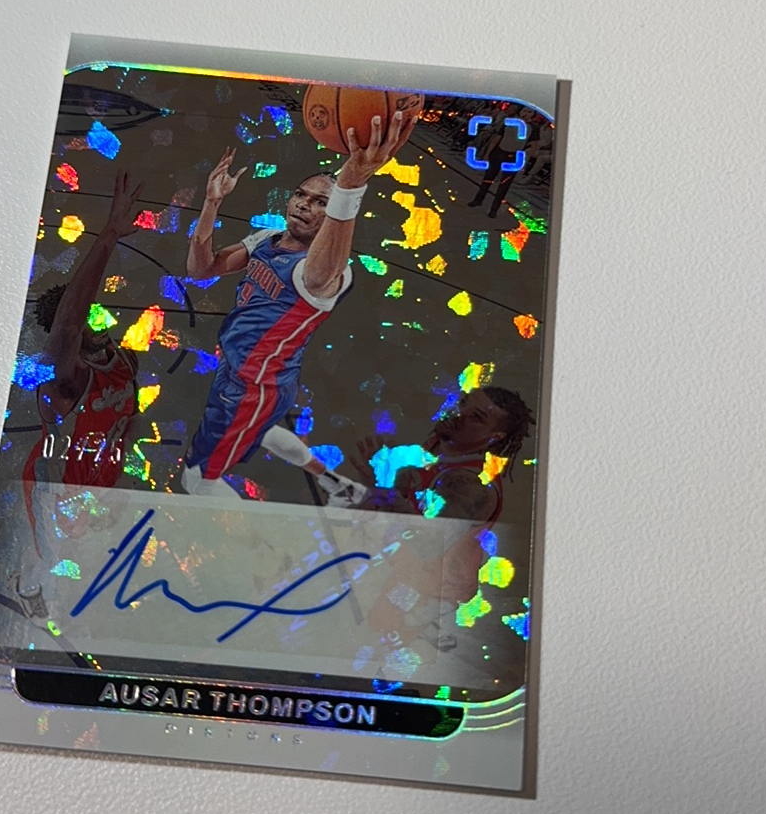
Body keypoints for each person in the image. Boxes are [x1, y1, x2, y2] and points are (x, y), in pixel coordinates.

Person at [180, 110, 418, 500]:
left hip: (253, 387)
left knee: (197, 477)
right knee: (263, 431)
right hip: (253, 373)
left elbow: (323, 269)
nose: (304, 205)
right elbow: (200, 269)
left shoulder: (320, 271)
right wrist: (211, 203)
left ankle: (256, 536)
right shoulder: (266, 240)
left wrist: (351, 186)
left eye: (321, 202)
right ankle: (337, 484)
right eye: (301, 195)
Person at [14, 170, 144, 614]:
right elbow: (69, 323)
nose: (93, 319)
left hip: (98, 478)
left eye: (95, 311)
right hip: (57, 488)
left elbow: (129, 417)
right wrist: (109, 234)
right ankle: (27, 590)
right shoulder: (64, 381)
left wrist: (121, 458)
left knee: (87, 562)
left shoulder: (125, 361)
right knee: (52, 565)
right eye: (85, 314)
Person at [347, 386, 535, 648]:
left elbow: (427, 545)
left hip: (431, 590)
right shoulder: (437, 455)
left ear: (494, 437)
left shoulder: (470, 484)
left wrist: (383, 493)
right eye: (462, 403)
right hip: (409, 573)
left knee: (378, 633)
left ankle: (411, 636)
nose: (458, 414)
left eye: (476, 416)